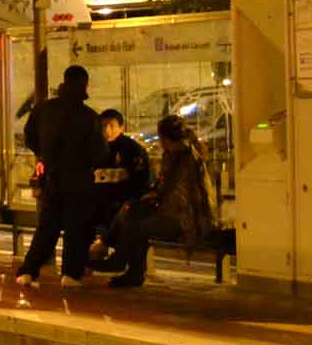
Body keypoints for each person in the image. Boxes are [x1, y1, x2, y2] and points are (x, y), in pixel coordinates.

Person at [14, 65, 102, 288]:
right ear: (84, 85)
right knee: (76, 228)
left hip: (52, 177)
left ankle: (28, 272)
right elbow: (100, 153)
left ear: (63, 82)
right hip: (78, 180)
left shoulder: (43, 109)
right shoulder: (89, 117)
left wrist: (44, 155)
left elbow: (30, 136)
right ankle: (70, 275)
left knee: (47, 227)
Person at [107, 115, 217, 288]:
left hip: (186, 217)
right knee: (130, 211)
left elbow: (181, 197)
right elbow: (164, 189)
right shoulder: (173, 155)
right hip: (170, 209)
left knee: (137, 225)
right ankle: (122, 262)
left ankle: (126, 265)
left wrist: (154, 197)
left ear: (165, 138)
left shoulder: (188, 159)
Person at [89, 109, 152, 259]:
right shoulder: (94, 148)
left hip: (121, 203)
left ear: (121, 127)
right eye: (103, 126)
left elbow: (141, 180)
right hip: (99, 203)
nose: (107, 130)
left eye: (111, 125)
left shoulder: (132, 149)